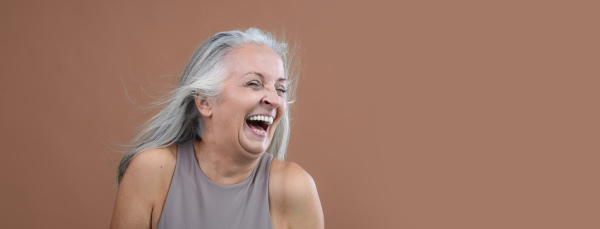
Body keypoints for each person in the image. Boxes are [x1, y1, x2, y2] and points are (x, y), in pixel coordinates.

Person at [109, 28, 324, 229]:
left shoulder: (294, 187)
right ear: (204, 101)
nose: (274, 100)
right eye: (254, 83)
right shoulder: (152, 170)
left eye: (280, 89)